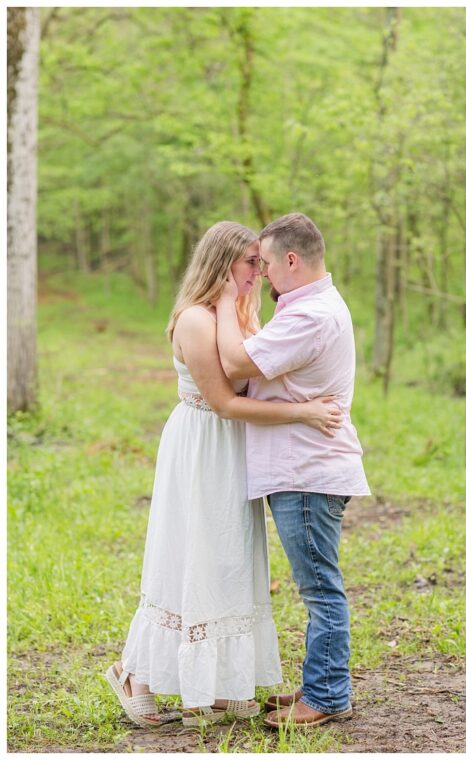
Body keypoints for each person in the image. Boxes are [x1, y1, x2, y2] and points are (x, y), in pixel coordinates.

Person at [106, 221, 343, 727]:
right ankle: (135, 673)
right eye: (250, 262)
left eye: (262, 261)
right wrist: (302, 413)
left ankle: (213, 685)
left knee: (227, 561)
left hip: (235, 451)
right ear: (222, 264)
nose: (259, 272)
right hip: (204, 445)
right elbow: (223, 401)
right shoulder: (195, 318)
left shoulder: (239, 312)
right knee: (187, 555)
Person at [214, 212, 370, 728]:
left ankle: (326, 696)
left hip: (305, 471)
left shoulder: (310, 317)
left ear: (292, 259)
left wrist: (222, 300)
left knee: (319, 588)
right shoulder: (310, 306)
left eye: (265, 263)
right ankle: (321, 684)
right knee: (318, 584)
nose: (260, 274)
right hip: (305, 466)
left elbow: (236, 366)